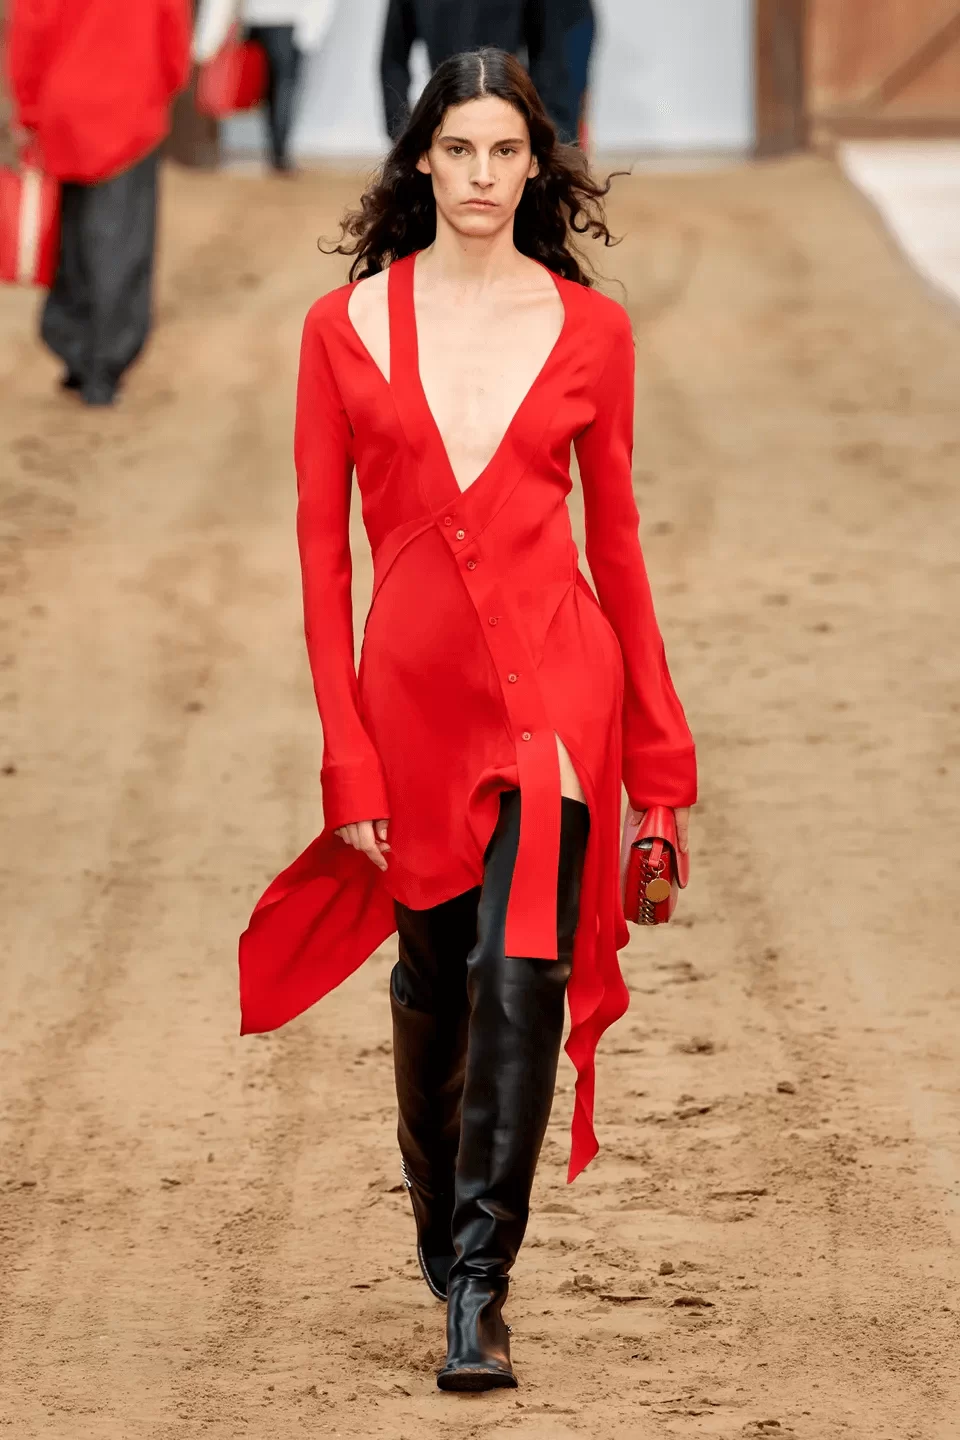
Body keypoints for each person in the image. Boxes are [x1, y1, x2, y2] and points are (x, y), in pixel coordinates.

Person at [239, 47, 696, 1391]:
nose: (484, 176)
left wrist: (660, 767)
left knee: (523, 968)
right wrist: (346, 758)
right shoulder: (343, 329)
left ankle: (482, 1286)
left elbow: (619, 549)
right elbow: (320, 560)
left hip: (558, 682)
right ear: (422, 161)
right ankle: (443, 1232)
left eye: (507, 152)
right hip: (412, 705)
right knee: (436, 979)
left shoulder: (591, 332)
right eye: (460, 151)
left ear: (535, 167)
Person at [6, 0, 192, 406]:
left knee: (71, 233)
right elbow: (173, 31)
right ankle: (105, 365)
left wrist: (29, 108)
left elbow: (29, 32)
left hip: (64, 105)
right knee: (121, 239)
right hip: (131, 102)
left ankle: (73, 347)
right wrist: (164, 86)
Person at [380, 0, 589, 144]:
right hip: (446, 117)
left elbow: (552, 55)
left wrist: (552, 136)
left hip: (506, 116)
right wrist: (402, 132)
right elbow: (393, 58)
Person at [193, 0, 337, 172]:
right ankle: (278, 154)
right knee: (282, 87)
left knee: (265, 86)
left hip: (254, 17)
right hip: (282, 20)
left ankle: (272, 151)